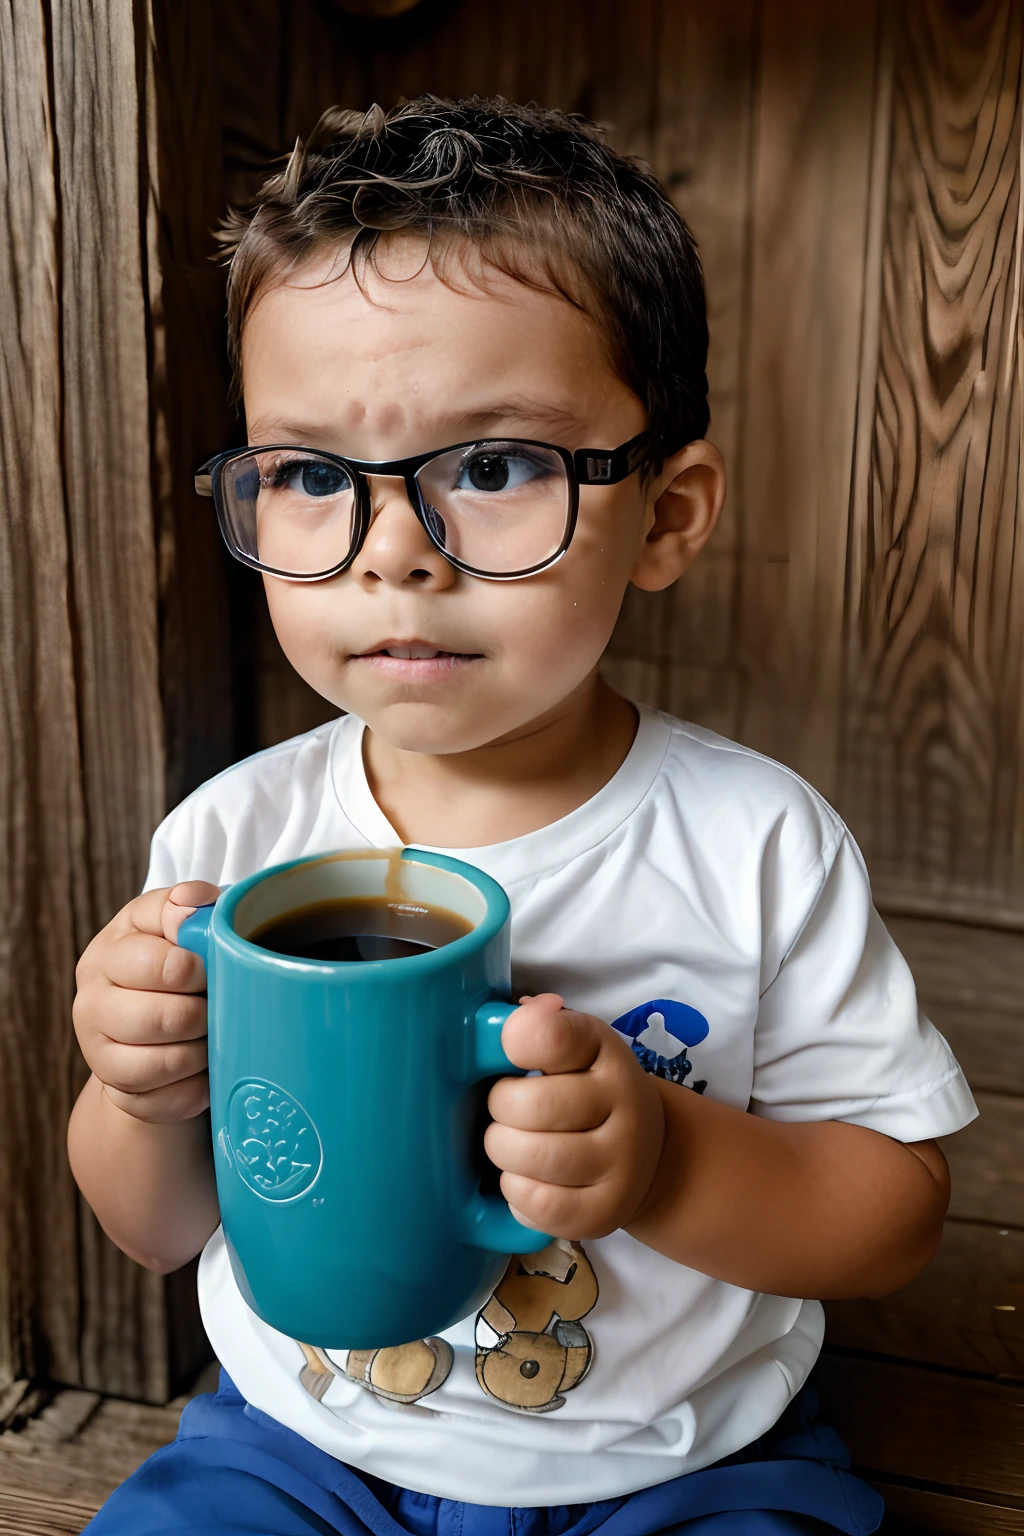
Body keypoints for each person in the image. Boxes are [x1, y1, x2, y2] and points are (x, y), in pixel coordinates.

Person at [69, 96, 976, 1535]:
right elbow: (158, 1226)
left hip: (686, 1464)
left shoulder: (755, 845)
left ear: (667, 516)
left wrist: (670, 1160)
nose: (394, 556)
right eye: (311, 477)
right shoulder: (232, 844)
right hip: (300, 1444)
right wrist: (135, 1090)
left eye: (491, 469)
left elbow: (894, 1211)